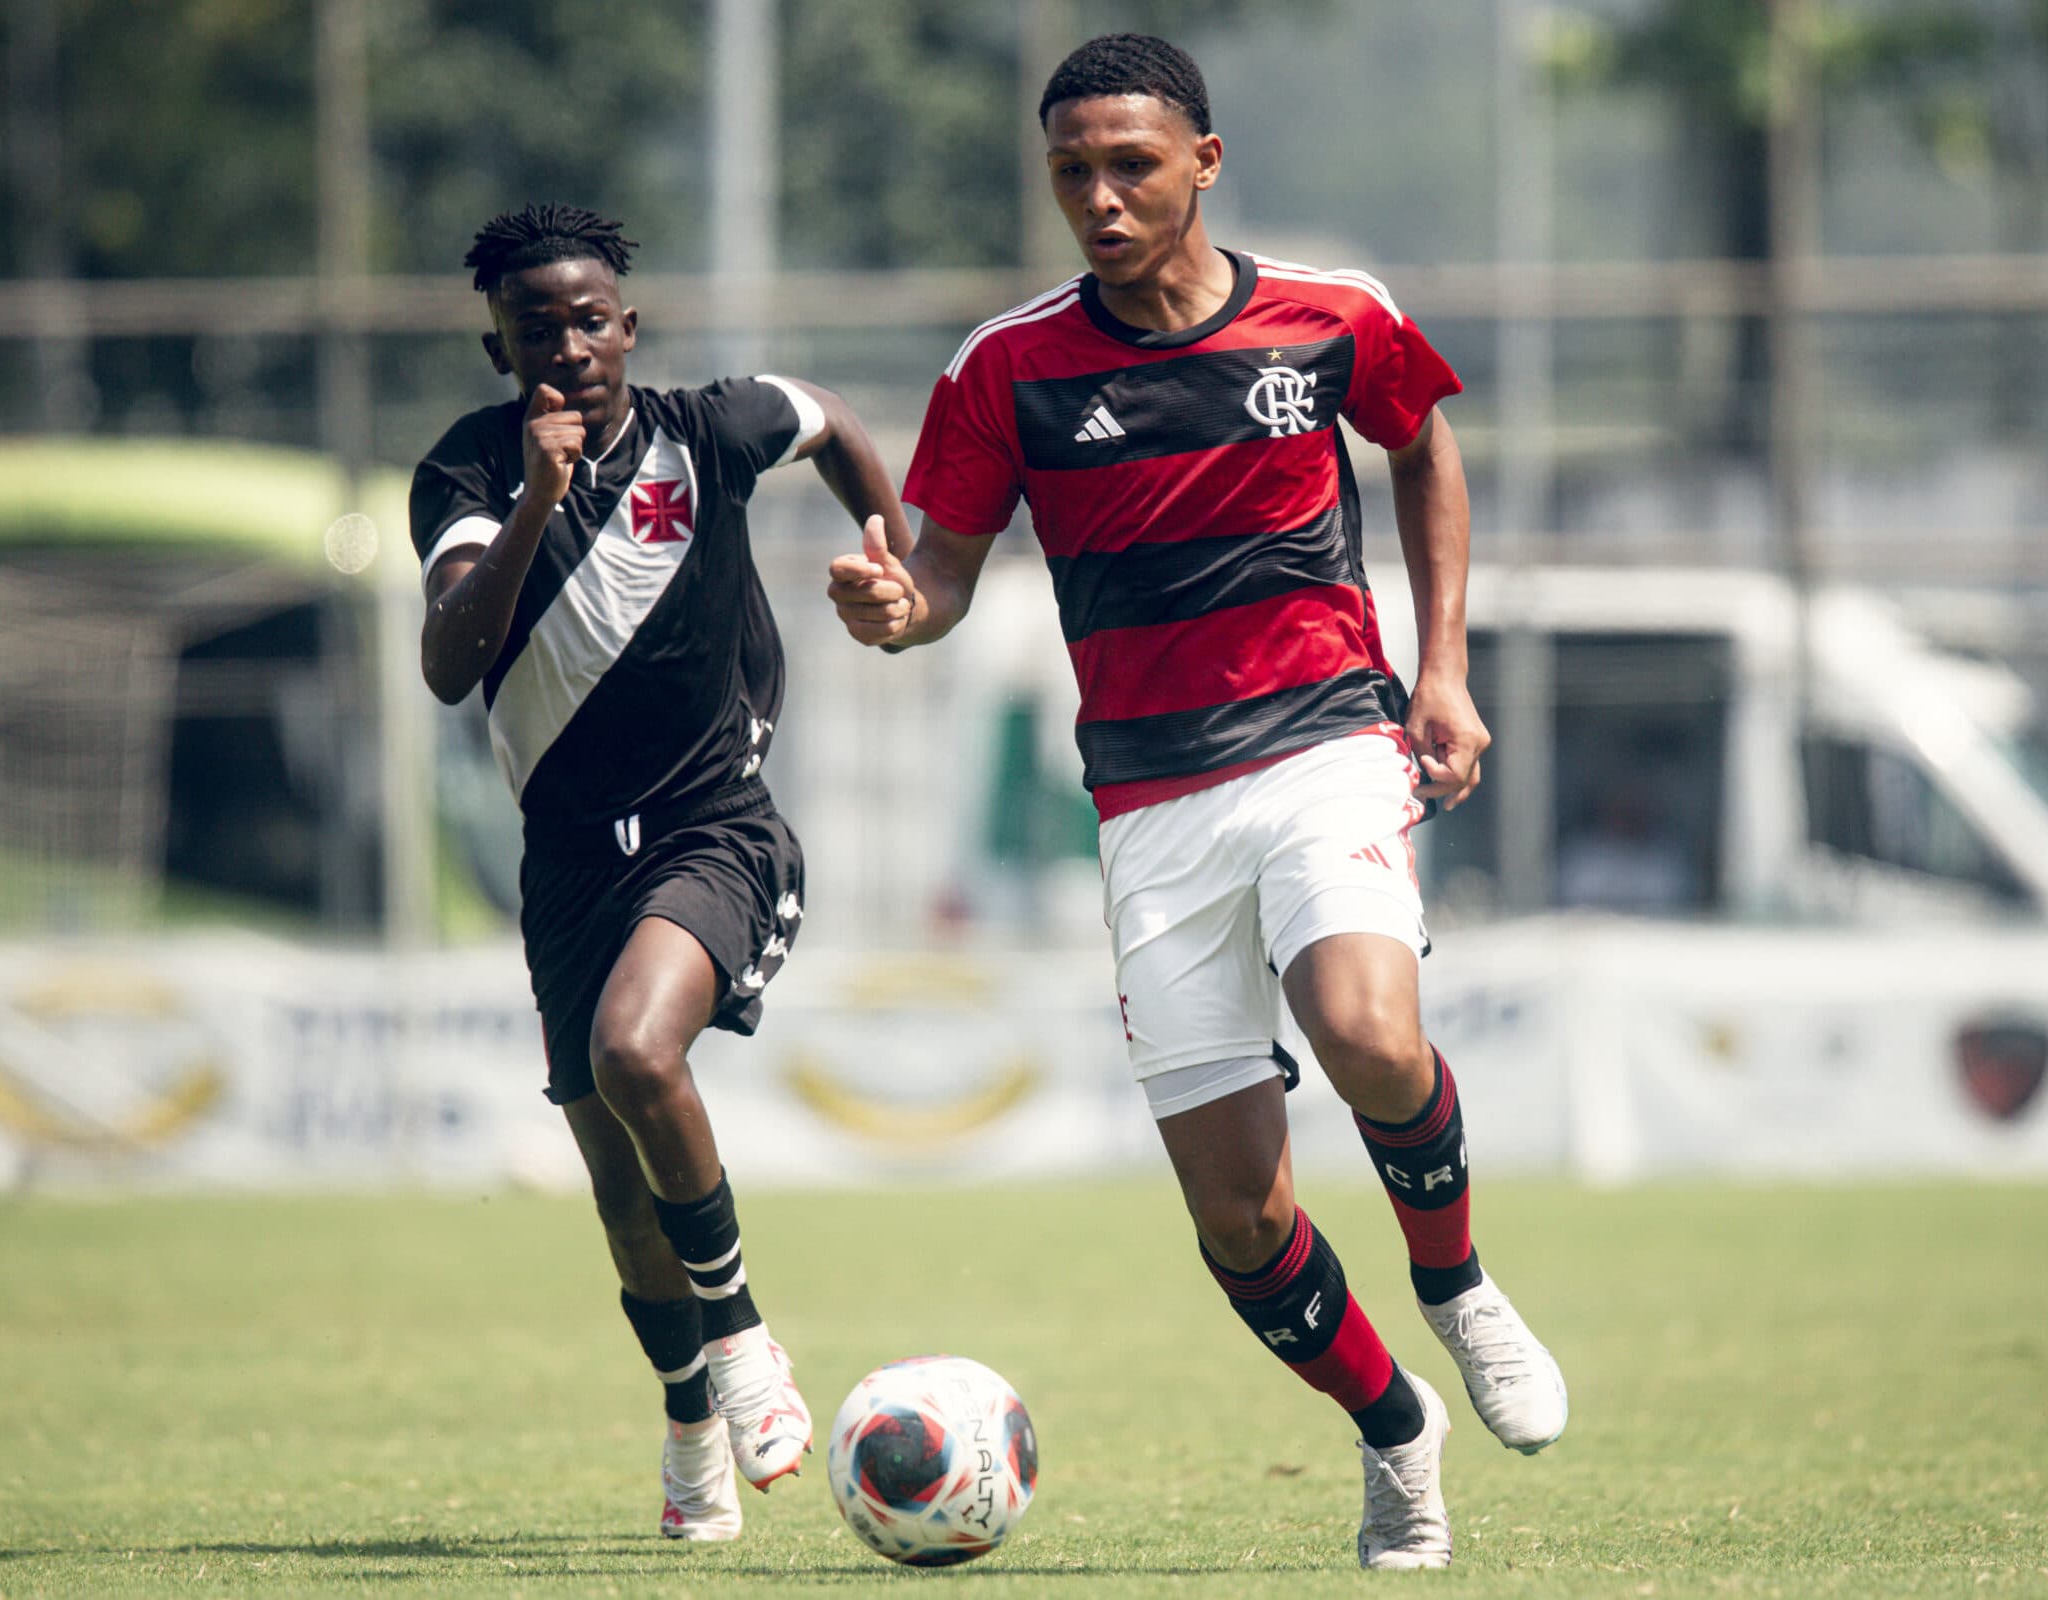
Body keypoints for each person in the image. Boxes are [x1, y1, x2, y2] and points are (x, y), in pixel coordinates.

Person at [826, 34, 1568, 1570]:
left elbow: (1425, 444)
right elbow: (943, 581)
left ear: (1205, 163)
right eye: (1071, 174)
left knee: (1369, 1031)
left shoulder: (1333, 317)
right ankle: (1398, 1431)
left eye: (1131, 165)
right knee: (1239, 1220)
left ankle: (1460, 1288)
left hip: (1321, 743)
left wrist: (1443, 670)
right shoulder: (1006, 369)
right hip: (1152, 809)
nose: (1098, 198)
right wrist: (894, 610)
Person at [411, 204, 911, 1542]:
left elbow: (835, 422)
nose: (568, 347)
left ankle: (745, 1345)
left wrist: (889, 542)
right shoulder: (463, 475)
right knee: (620, 1185)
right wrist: (535, 501)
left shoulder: (710, 429)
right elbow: (453, 663)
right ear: (498, 343)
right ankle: (691, 1420)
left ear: (629, 327)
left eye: (590, 321)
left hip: (714, 828)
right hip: (569, 862)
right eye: (538, 329)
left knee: (642, 1056)